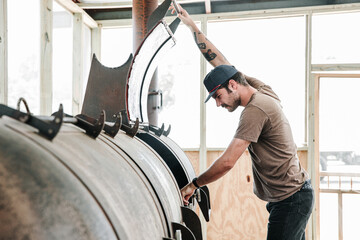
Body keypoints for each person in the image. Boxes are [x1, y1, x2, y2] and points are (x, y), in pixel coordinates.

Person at [172, 4, 315, 240]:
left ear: (233, 86)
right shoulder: (260, 90)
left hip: (291, 200)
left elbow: (228, 162)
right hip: (291, 197)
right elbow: (222, 64)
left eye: (218, 97)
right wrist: (191, 26)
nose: (218, 104)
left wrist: (193, 184)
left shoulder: (254, 110)